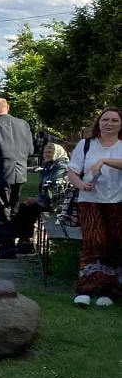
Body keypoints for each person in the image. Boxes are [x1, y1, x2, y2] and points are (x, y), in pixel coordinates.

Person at [67, 107, 122, 307]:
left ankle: (110, 290)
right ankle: (86, 289)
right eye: (105, 120)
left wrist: (105, 161)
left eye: (114, 120)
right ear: (99, 123)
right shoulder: (86, 145)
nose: (109, 124)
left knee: (115, 244)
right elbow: (72, 172)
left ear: (120, 124)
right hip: (90, 200)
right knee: (94, 241)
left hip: (117, 201)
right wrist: (81, 184)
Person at [0, 98, 34, 260]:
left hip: (1, 173)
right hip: (20, 172)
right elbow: (31, 149)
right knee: (14, 208)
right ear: (8, 107)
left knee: (1, 210)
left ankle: (6, 247)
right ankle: (17, 241)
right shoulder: (23, 124)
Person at [13, 143, 69, 254]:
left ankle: (25, 243)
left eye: (50, 152)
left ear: (57, 153)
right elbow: (46, 189)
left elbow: (56, 190)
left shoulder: (61, 166)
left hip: (58, 203)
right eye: (45, 152)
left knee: (28, 209)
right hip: (48, 200)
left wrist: (37, 199)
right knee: (24, 207)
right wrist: (37, 198)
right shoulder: (50, 166)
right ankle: (24, 242)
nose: (46, 155)